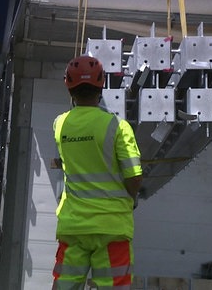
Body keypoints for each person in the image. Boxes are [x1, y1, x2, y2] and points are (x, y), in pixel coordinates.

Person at [51, 55, 143, 290]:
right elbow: (134, 175)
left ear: (68, 86)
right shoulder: (117, 127)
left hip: (74, 227)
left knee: (64, 285)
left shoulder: (60, 124)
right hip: (111, 227)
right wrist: (130, 200)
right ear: (101, 85)